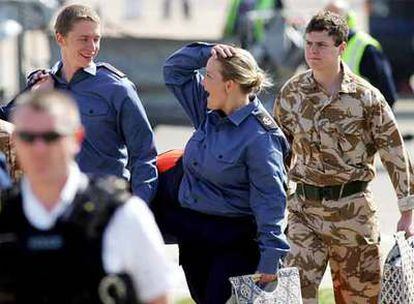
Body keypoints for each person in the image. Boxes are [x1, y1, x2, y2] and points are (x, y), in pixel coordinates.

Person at [273, 11, 414, 304]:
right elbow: (277, 152)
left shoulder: (366, 97)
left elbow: (394, 151)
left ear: (341, 47)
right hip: (304, 213)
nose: (312, 51)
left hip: (354, 216)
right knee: (292, 297)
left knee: (360, 299)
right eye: (309, 43)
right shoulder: (292, 93)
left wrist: (407, 211)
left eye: (321, 45)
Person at [0, 90, 172, 304]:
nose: (39, 149)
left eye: (51, 136)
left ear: (76, 138)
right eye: (28, 137)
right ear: (14, 141)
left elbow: (157, 297)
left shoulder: (122, 214)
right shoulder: (6, 216)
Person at [154, 42, 290, 304]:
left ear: (229, 85)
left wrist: (271, 259)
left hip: (233, 242)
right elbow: (174, 71)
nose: (203, 83)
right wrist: (210, 53)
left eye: (209, 76)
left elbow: (270, 201)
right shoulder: (209, 109)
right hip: (194, 235)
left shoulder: (261, 137)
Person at [0, 4, 157, 203]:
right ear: (60, 38)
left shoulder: (117, 88)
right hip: (52, 203)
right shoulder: (42, 85)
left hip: (103, 202)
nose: (92, 48)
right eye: (84, 39)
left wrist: (140, 206)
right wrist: (36, 94)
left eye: (96, 39)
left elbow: (144, 154)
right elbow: (6, 122)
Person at [325, 0, 398, 109]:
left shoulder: (366, 48)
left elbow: (387, 94)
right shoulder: (319, 48)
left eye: (334, 19)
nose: (328, 25)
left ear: (347, 19)